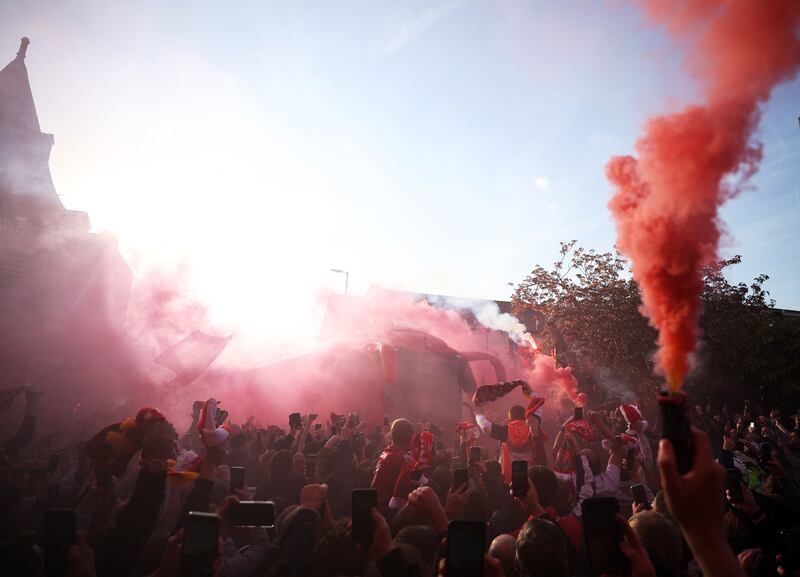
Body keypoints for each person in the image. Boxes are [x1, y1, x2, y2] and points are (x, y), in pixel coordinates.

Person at [372, 418, 415, 514]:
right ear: (410, 439)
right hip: (387, 511)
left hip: (377, 506)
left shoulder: (386, 453)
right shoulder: (399, 459)